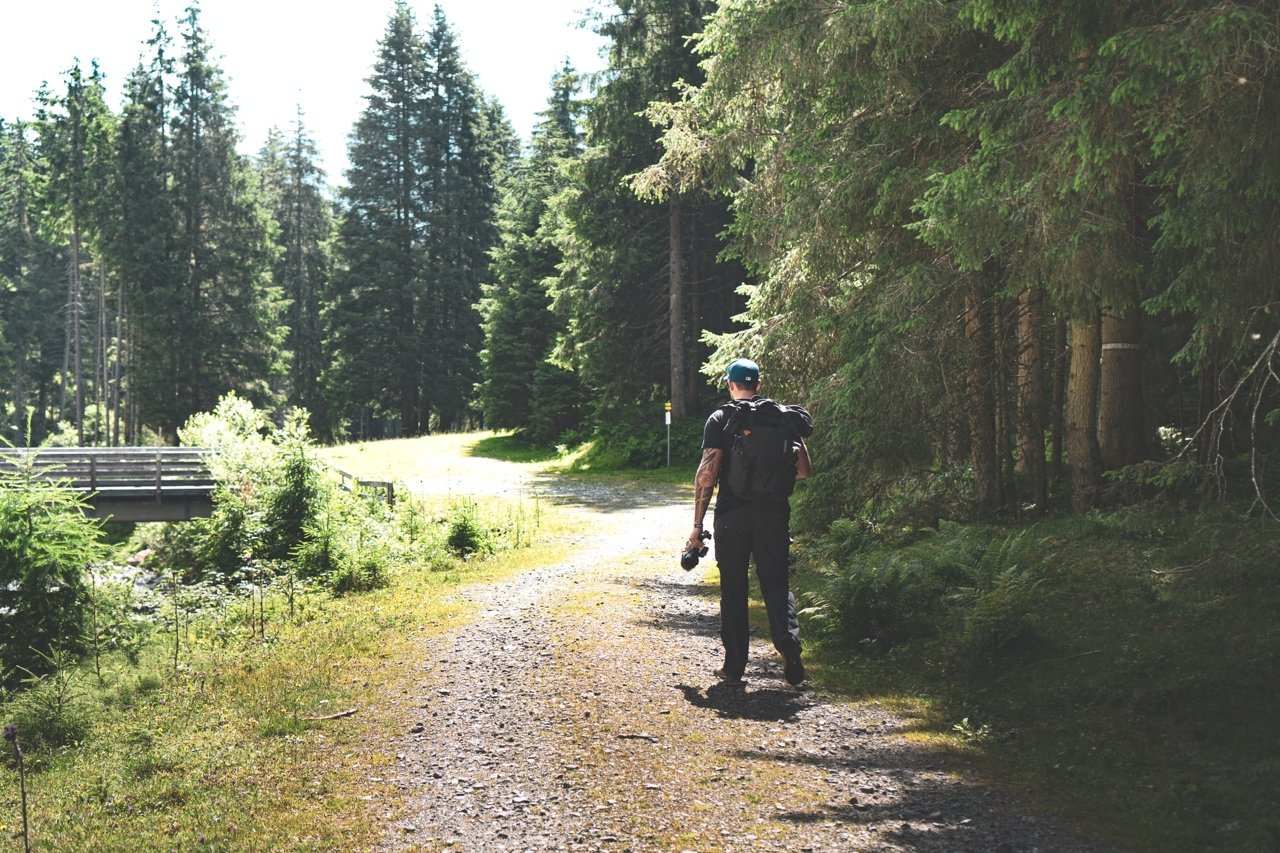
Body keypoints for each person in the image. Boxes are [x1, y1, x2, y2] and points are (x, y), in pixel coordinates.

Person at [686, 358, 812, 687]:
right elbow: (804, 471)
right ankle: (787, 640)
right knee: (776, 583)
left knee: (734, 587)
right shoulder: (782, 417)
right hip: (773, 516)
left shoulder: (721, 418)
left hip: (733, 517)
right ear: (758, 385)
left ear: (730, 385)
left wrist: (697, 526)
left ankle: (734, 667)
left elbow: (707, 475)